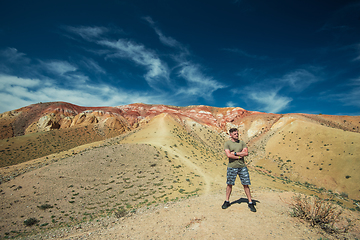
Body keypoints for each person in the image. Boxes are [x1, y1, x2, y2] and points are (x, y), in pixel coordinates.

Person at [222, 128, 256, 212]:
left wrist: (236, 154)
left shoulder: (242, 143)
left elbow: (246, 153)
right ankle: (227, 201)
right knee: (229, 184)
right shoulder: (227, 144)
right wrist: (240, 155)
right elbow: (229, 155)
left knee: (246, 184)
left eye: (237, 133)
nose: (237, 135)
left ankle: (250, 202)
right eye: (235, 134)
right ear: (230, 135)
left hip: (242, 167)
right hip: (232, 167)